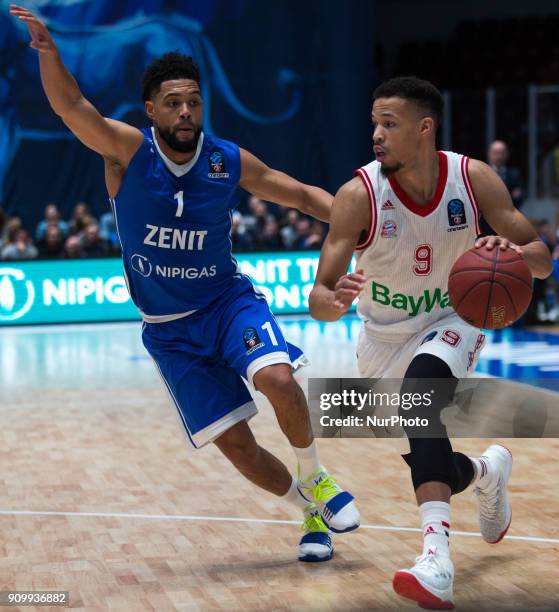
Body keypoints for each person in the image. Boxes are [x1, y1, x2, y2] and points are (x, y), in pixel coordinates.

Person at [11, 4, 359, 562]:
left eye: (194, 101)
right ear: (152, 109)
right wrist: (50, 55)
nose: (186, 111)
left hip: (227, 303)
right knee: (241, 451)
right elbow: (73, 107)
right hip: (171, 333)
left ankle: (317, 476)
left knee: (278, 379)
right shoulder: (127, 151)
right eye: (173, 102)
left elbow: (294, 193)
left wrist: (357, 220)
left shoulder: (224, 159)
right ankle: (309, 512)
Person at [309, 76, 552, 608]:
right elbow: (318, 299)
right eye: (374, 123)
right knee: (430, 460)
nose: (376, 134)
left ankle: (436, 561)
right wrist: (333, 300)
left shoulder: (473, 179)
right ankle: (487, 472)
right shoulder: (358, 196)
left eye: (388, 124)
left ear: (424, 128)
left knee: (420, 396)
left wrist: (509, 251)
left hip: (454, 320)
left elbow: (540, 257)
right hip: (380, 340)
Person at [481, 140, 524, 235]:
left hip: (509, 222)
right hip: (486, 224)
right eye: (496, 153)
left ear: (507, 155)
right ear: (489, 154)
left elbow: (519, 199)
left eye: (502, 153)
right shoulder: (481, 173)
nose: (499, 156)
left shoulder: (514, 175)